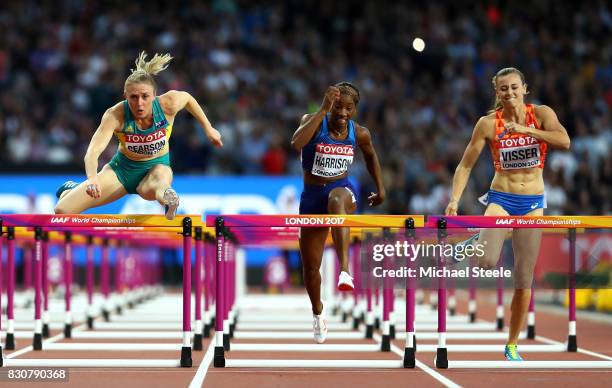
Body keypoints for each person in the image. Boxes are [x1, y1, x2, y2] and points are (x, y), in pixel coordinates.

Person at [445, 67, 570, 360]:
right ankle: (476, 241)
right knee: (486, 262)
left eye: (514, 87)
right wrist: (454, 200)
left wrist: (529, 131)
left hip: (532, 204)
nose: (510, 93)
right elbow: (465, 166)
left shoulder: (541, 114)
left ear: (525, 88)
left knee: (523, 278)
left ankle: (512, 344)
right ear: (497, 93)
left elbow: (564, 141)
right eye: (504, 89)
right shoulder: (488, 124)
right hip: (501, 197)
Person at [54, 51, 222, 219]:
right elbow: (93, 151)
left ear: (154, 95)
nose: (139, 103)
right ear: (125, 96)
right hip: (122, 171)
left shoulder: (167, 104)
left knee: (157, 182)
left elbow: (187, 98)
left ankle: (169, 198)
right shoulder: (115, 115)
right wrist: (92, 179)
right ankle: (72, 189)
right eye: (133, 97)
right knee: (62, 210)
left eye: (145, 96)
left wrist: (209, 128)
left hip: (157, 167)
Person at [291, 82, 385, 343]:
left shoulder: (360, 133)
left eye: (349, 108)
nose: (343, 112)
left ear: (355, 109)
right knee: (311, 268)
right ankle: (318, 314)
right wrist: (322, 110)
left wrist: (381, 189)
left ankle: (345, 270)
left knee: (335, 199)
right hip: (311, 198)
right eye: (338, 107)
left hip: (342, 191)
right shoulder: (313, 120)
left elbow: (371, 156)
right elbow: (296, 142)